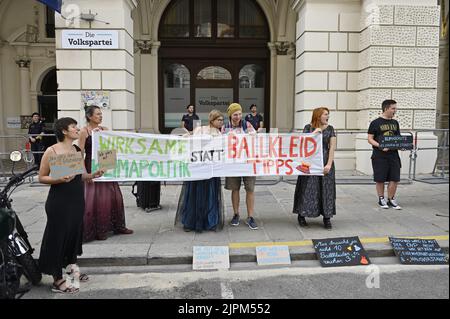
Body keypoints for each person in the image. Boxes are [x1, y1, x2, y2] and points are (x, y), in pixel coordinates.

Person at [38, 118, 104, 294]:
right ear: (64, 131)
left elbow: (79, 175)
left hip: (76, 199)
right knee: (58, 237)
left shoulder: (76, 149)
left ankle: (70, 270)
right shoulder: (51, 151)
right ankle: (56, 278)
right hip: (59, 201)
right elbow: (41, 177)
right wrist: (58, 179)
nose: (77, 129)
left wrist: (92, 175)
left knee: (73, 235)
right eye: (73, 127)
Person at [78, 105, 133, 242]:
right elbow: (80, 153)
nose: (100, 116)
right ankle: (98, 230)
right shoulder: (84, 132)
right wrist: (85, 173)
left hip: (105, 165)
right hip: (91, 166)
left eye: (101, 114)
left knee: (113, 196)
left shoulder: (105, 130)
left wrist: (110, 167)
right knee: (94, 198)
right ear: (90, 116)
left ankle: (117, 226)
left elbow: (111, 149)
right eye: (97, 114)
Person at [175, 110, 225, 232]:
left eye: (222, 120)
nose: (221, 122)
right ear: (212, 120)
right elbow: (189, 140)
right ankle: (191, 221)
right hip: (197, 168)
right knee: (194, 195)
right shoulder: (200, 129)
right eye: (219, 120)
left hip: (210, 169)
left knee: (209, 196)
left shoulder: (220, 134)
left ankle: (209, 221)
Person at [293, 107, 337, 230]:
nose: (328, 117)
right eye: (325, 114)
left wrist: (329, 164)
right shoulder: (308, 128)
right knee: (308, 188)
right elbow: (302, 144)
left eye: (328, 114)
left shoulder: (330, 129)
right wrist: (314, 134)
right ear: (318, 116)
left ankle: (327, 217)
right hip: (310, 162)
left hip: (324, 161)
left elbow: (332, 147)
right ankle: (302, 215)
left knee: (326, 189)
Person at [223, 103, 259, 230]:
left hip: (248, 163)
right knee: (235, 189)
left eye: (239, 114)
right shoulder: (225, 127)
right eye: (235, 114)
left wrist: (252, 134)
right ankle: (236, 214)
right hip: (233, 163)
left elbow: (255, 136)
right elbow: (220, 142)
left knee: (250, 189)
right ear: (230, 115)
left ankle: (250, 216)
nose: (238, 116)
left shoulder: (247, 124)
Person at [368, 100, 403, 210]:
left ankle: (391, 199)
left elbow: (398, 138)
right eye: (393, 108)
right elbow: (370, 139)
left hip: (393, 154)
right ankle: (381, 198)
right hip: (379, 155)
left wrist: (402, 145)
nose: (395, 110)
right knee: (380, 178)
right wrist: (380, 146)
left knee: (395, 177)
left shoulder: (395, 123)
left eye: (395, 108)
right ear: (386, 108)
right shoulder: (375, 123)